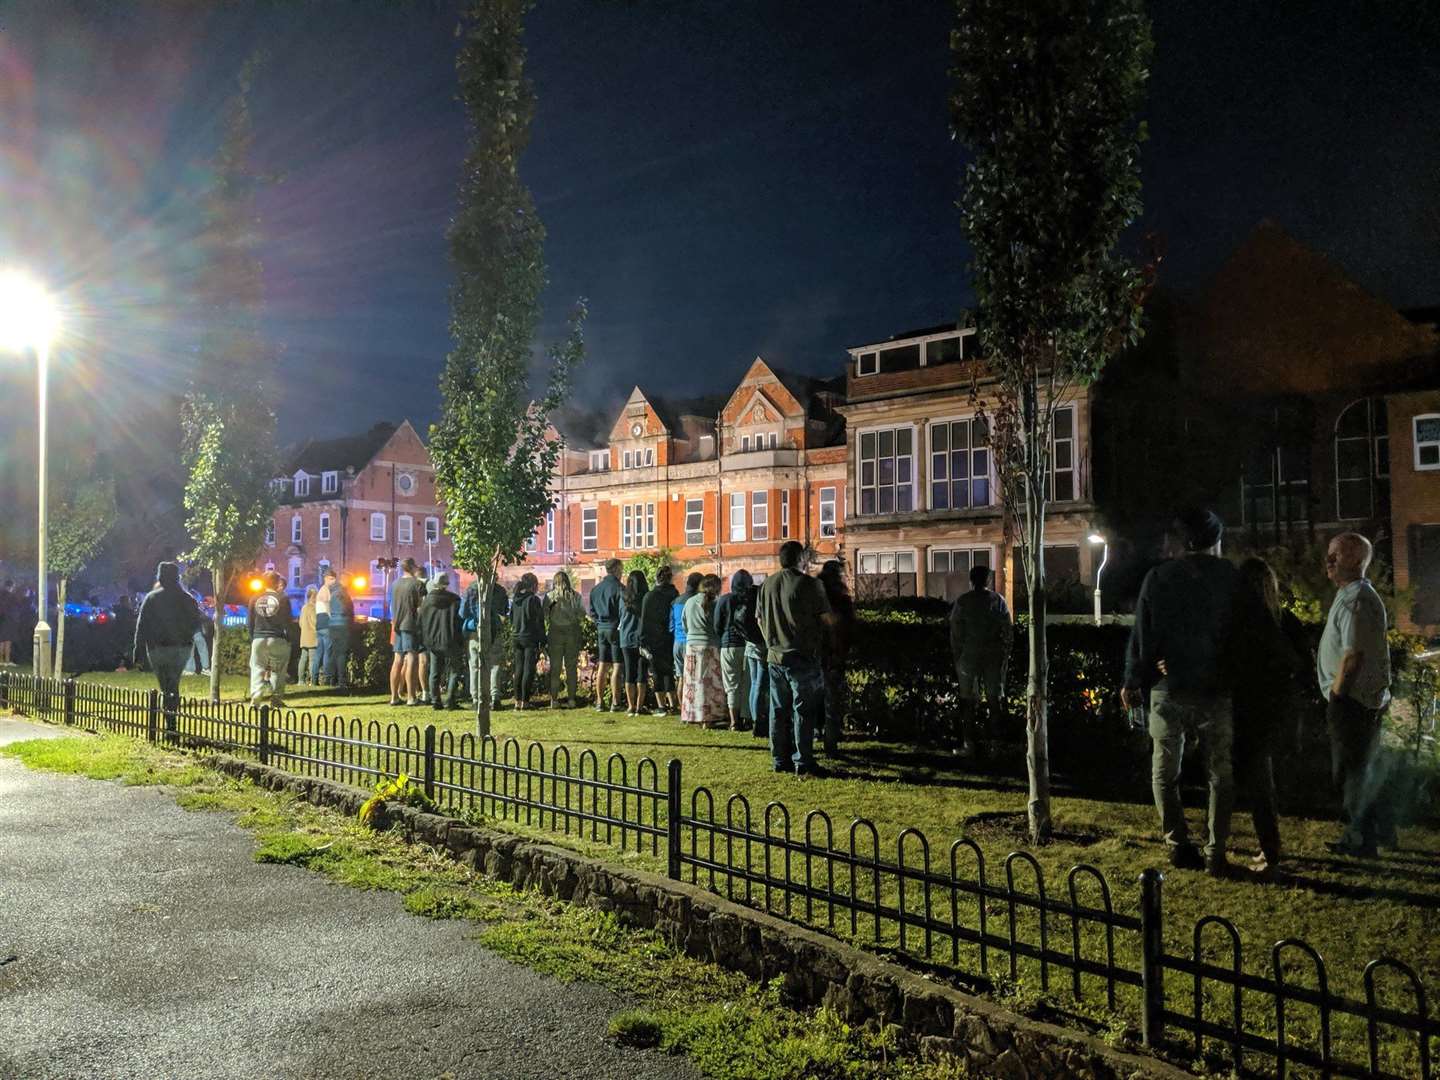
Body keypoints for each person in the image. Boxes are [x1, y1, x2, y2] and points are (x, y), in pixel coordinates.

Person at [1122, 509, 1242, 877]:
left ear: (1182, 540)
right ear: (1214, 540)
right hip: (1216, 688)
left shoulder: (1159, 578)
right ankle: (1216, 850)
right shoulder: (1230, 578)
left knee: (1165, 768)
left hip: (1169, 688)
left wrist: (1133, 680)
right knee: (1219, 772)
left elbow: (1143, 635)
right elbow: (1242, 635)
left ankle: (1177, 843)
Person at [1318, 532, 1393, 858]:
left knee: (1351, 773)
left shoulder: (1356, 600)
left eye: (1336, 555)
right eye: (1329, 554)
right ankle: (1373, 834)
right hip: (1357, 701)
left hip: (1352, 702)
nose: (1329, 561)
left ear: (1356, 560)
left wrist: (1337, 696)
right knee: (1359, 770)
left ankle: (1361, 841)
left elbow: (1353, 655)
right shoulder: (1352, 595)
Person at [1232, 557, 1301, 880]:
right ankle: (1269, 845)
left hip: (1247, 710)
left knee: (1256, 781)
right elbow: (1300, 664)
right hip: (1277, 709)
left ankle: (1269, 850)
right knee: (1264, 779)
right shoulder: (1285, 621)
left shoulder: (1239, 624)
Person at [758, 542, 832, 776]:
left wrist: (771, 641)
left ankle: (779, 759)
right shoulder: (810, 585)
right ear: (801, 558)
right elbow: (827, 620)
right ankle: (803, 760)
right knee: (804, 710)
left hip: (775, 656)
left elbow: (759, 619)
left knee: (778, 710)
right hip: (802, 656)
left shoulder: (767, 585)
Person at [947, 564, 1012, 759]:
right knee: (994, 700)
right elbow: (1007, 628)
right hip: (993, 655)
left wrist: (958, 654)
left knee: (967, 700)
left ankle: (969, 744)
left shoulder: (963, 601)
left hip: (969, 654)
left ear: (971, 580)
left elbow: (955, 631)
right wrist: (1004, 653)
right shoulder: (997, 600)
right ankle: (995, 745)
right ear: (988, 580)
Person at [132, 562, 204, 721]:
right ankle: (171, 716)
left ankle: (170, 717)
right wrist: (186, 636)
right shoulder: (187, 598)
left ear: (160, 577)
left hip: (157, 648)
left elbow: (142, 625)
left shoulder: (151, 598)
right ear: (177, 577)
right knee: (173, 681)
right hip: (180, 648)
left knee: (166, 684)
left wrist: (138, 650)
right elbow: (196, 623)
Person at [818, 560, 856, 754]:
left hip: (817, 652)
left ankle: (818, 732)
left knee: (817, 696)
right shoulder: (841, 598)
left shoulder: (816, 595)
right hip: (835, 653)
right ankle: (831, 739)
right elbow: (849, 626)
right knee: (832, 697)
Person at [681, 574, 727, 728]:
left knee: (692, 682)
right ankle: (709, 717)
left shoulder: (689, 602)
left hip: (692, 645)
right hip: (710, 645)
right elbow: (719, 625)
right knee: (709, 684)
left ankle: (692, 714)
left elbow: (684, 623)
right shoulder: (715, 603)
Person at [713, 569, 755, 731]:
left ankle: (734, 721)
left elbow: (717, 625)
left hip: (728, 644)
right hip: (748, 645)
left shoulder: (724, 600)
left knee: (732, 685)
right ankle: (748, 718)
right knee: (748, 683)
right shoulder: (751, 599)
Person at [247, 570, 295, 708]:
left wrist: (253, 637)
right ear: (276, 582)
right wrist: (289, 638)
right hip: (277, 638)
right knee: (278, 670)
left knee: (257, 667)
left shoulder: (254, 598)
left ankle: (256, 698)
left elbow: (250, 622)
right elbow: (288, 621)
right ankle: (276, 699)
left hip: (259, 638)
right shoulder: (283, 599)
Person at [418, 572, 464, 710]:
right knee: (455, 670)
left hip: (432, 640)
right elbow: (459, 620)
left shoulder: (426, 601)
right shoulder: (455, 600)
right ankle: (450, 700)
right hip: (451, 639)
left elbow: (420, 622)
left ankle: (435, 701)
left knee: (434, 671)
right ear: (446, 584)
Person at [640, 565, 679, 716]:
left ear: (657, 577)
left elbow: (644, 620)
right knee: (669, 671)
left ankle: (661, 706)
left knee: (657, 672)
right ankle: (673, 704)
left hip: (653, 638)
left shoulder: (649, 596)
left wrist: (642, 640)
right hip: (670, 637)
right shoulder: (674, 594)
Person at [589, 558, 625, 712]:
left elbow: (591, 612)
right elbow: (623, 611)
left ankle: (599, 702)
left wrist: (599, 622)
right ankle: (615, 703)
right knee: (617, 665)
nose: (622, 572)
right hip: (614, 628)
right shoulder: (619, 588)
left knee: (602, 665)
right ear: (616, 569)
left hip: (601, 628)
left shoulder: (595, 589)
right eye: (621, 569)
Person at [545, 571, 584, 708]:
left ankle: (554, 700)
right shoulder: (575, 596)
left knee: (555, 668)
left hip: (555, 633)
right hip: (572, 633)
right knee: (571, 668)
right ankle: (571, 699)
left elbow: (545, 614)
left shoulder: (550, 597)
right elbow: (581, 615)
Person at [389, 558, 426, 706]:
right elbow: (421, 606)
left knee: (397, 659)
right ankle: (411, 697)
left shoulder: (395, 584)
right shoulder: (417, 584)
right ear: (412, 567)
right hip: (410, 623)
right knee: (412, 658)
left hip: (396, 624)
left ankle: (394, 697)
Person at [510, 572, 546, 710]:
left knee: (518, 668)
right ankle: (525, 701)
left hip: (516, 636)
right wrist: (542, 640)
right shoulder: (533, 600)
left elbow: (511, 618)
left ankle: (517, 700)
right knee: (528, 670)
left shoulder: (516, 599)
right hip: (529, 637)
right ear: (533, 585)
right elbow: (539, 621)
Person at [618, 569, 650, 716]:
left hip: (625, 637)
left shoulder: (623, 596)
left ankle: (630, 706)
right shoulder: (646, 597)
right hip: (642, 638)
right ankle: (639, 706)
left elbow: (620, 616)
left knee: (629, 673)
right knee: (641, 673)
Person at [671, 572, 701, 700]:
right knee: (694, 679)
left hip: (677, 643)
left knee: (681, 678)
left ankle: (681, 709)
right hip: (691, 643)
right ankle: (692, 708)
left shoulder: (675, 601)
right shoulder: (697, 601)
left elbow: (671, 625)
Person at [323, 569, 353, 693]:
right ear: (345, 580)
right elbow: (345, 609)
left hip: (333, 625)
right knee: (341, 654)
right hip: (342, 625)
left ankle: (330, 679)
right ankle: (341, 681)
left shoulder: (333, 591)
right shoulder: (341, 593)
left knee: (334, 653)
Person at [297, 585, 319, 685]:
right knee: (312, 660)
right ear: (313, 597)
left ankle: (300, 681)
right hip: (312, 636)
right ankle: (313, 681)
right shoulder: (313, 608)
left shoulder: (304, 607)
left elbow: (300, 623)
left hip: (304, 636)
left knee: (303, 658)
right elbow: (315, 622)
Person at [313, 571, 332, 685]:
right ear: (326, 579)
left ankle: (314, 679)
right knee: (327, 652)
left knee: (318, 653)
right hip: (325, 623)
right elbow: (328, 606)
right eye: (331, 579)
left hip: (319, 624)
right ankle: (327, 679)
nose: (333, 581)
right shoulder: (325, 590)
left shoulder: (320, 590)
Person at [0, 579, 12, 665]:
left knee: (1, 641)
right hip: (7, 619)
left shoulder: (1, 594)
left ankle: (1, 660)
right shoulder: (9, 596)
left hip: (2, 619)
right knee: (7, 640)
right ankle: (6, 660)